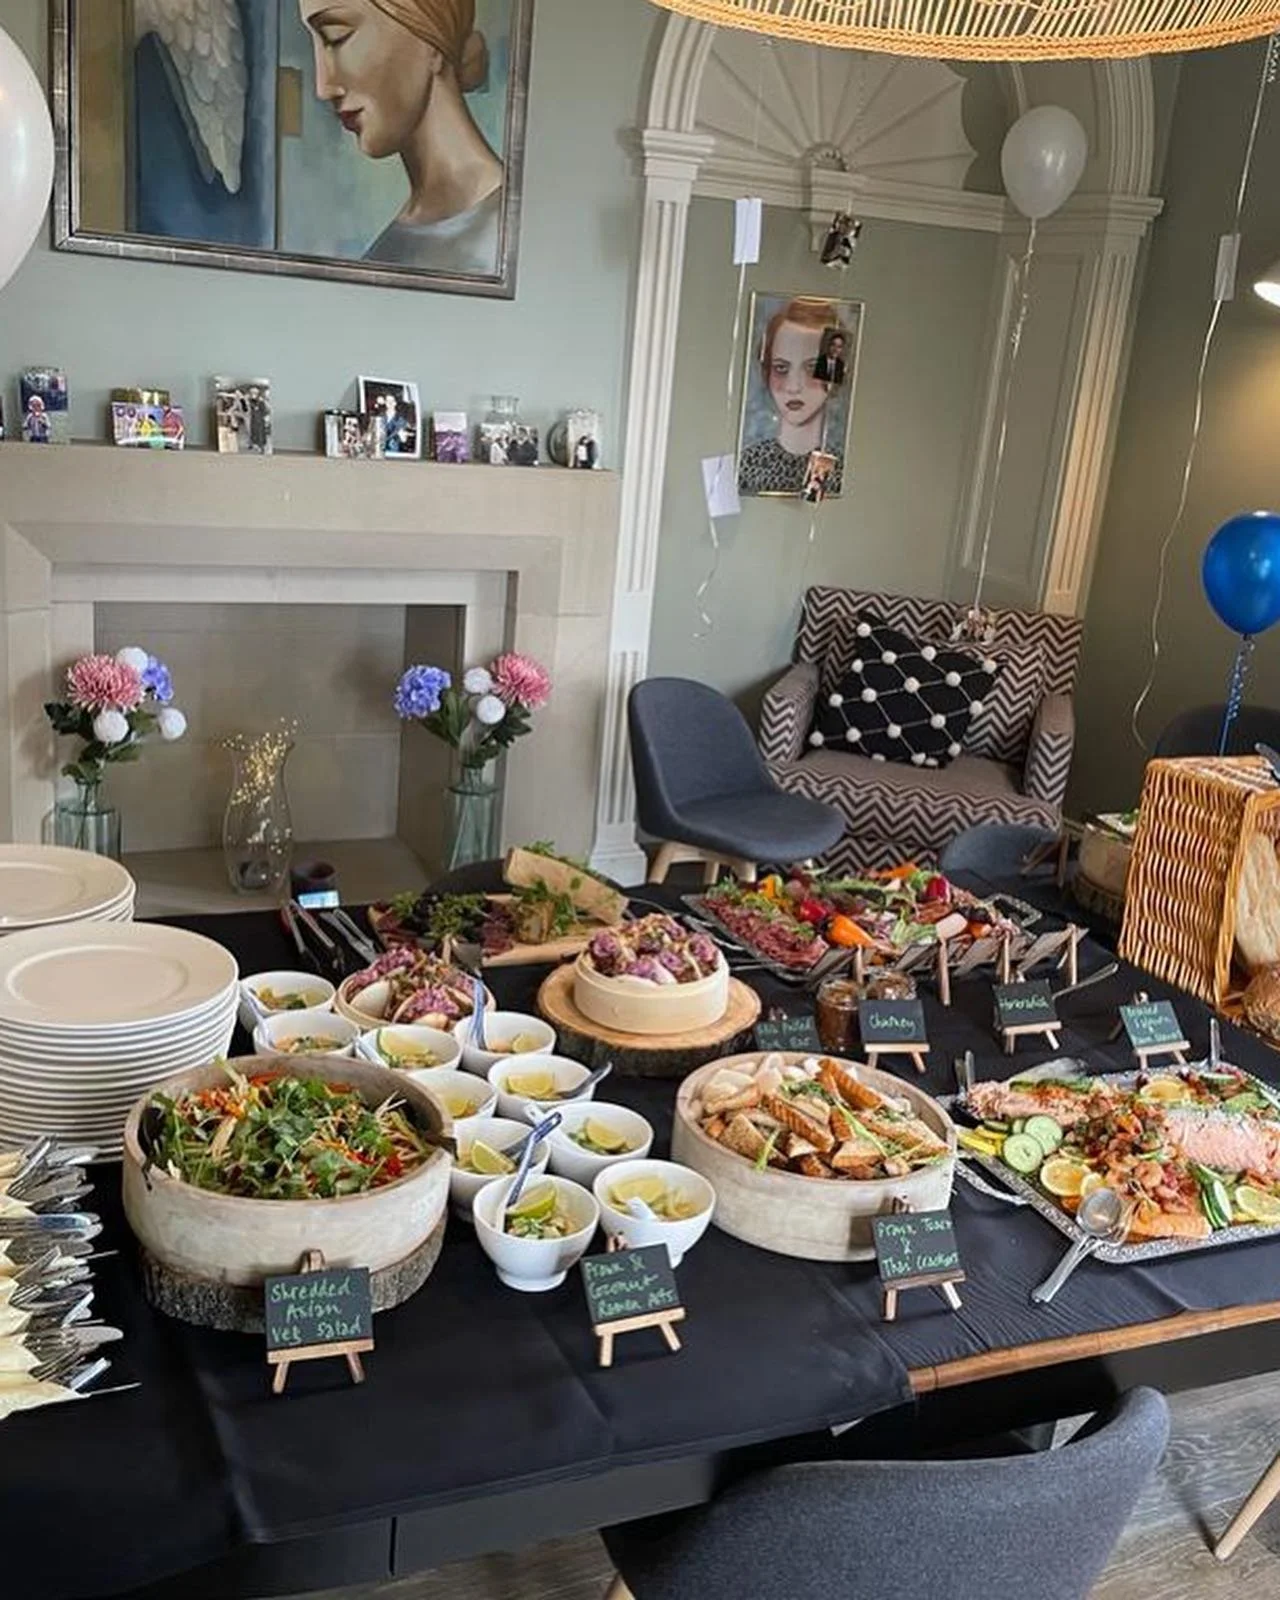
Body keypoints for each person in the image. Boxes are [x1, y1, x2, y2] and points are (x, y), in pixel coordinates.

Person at [300, 0, 503, 275]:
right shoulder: (389, 250)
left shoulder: (517, 229)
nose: (323, 88)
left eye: (337, 37)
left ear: (430, 41)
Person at [738, 299, 848, 498]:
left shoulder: (846, 471)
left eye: (812, 368)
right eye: (781, 368)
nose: (794, 387)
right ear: (767, 372)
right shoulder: (746, 464)